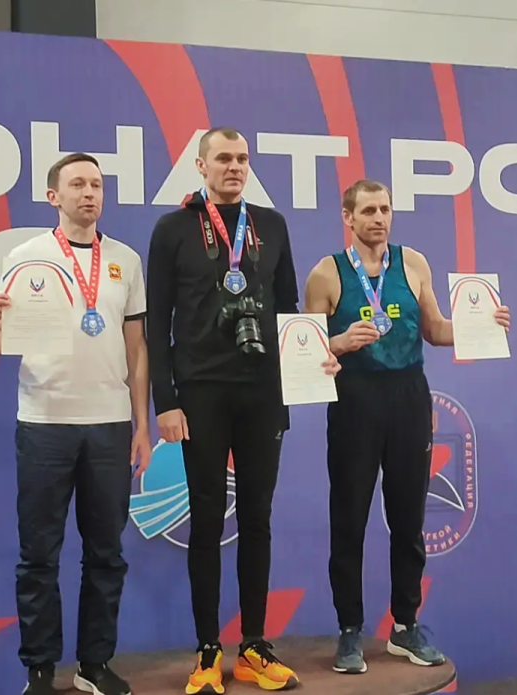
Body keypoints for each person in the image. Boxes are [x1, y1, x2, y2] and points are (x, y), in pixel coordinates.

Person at [145, 126, 339, 694]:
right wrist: (166, 402)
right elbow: (158, 322)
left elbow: (288, 311)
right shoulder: (173, 228)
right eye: (224, 158)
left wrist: (310, 363)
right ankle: (208, 650)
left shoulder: (271, 225)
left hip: (262, 393)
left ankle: (253, 645)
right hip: (200, 393)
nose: (234, 167)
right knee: (207, 520)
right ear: (201, 166)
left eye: (242, 158)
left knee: (257, 518)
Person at [303, 179, 511, 676]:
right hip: (355, 399)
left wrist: (482, 326)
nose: (378, 218)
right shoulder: (326, 274)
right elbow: (304, 349)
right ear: (348, 218)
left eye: (385, 209)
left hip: (408, 397)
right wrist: (339, 342)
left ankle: (405, 625)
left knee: (408, 519)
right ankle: (350, 630)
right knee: (349, 520)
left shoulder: (413, 263)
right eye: (368, 210)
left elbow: (436, 329)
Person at [0, 152, 152, 695]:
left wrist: (140, 426)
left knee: (106, 555)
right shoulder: (25, 257)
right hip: (45, 422)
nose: (89, 193)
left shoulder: (125, 261)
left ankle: (94, 665)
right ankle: (39, 671)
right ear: (53, 196)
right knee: (39, 556)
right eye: (77, 184)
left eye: (96, 184)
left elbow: (137, 348)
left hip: (109, 425)